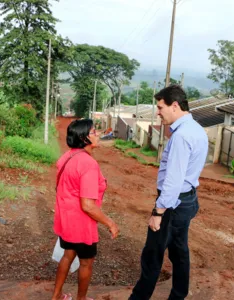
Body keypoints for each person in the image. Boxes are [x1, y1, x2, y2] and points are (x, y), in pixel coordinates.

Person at [129, 85, 208, 300]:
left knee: (152, 255)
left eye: (160, 107)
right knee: (179, 251)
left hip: (173, 204)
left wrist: (158, 213)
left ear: (175, 106)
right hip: (187, 199)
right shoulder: (197, 129)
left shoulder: (182, 136)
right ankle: (178, 295)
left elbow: (173, 181)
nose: (158, 112)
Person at [52, 119, 119, 300]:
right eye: (94, 132)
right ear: (84, 138)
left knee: (67, 255)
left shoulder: (68, 156)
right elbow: (87, 205)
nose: (98, 134)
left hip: (66, 220)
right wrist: (110, 223)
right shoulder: (88, 164)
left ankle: (56, 296)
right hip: (81, 223)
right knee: (86, 262)